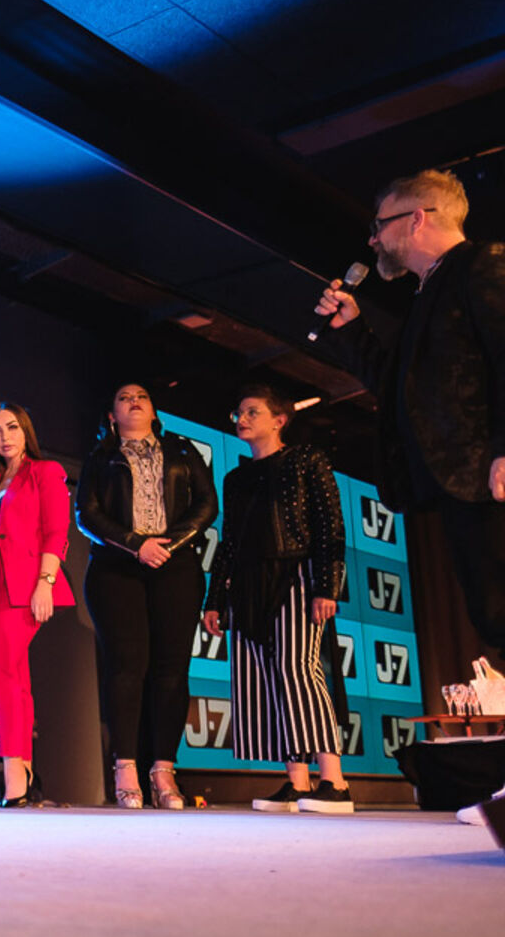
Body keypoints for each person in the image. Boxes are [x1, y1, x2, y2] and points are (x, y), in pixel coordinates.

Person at [314, 169, 505, 655]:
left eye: (380, 224)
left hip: (491, 477)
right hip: (463, 486)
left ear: (417, 218)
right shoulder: (428, 293)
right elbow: (403, 391)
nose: (373, 239)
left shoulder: (481, 264)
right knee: (492, 613)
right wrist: (350, 332)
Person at [200, 385, 353, 814]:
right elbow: (229, 542)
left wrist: (327, 587)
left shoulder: (306, 460)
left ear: (279, 420)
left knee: (298, 669)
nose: (242, 419)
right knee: (265, 679)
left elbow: (330, 526)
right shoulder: (235, 478)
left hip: (295, 573)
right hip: (248, 583)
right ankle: (298, 782)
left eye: (253, 411)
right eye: (239, 412)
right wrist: (215, 599)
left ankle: (335, 782)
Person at [74, 383, 218, 810]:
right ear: (111, 415)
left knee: (171, 670)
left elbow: (207, 505)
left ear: (154, 411)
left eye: (142, 396)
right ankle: (125, 768)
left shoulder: (182, 451)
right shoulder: (100, 457)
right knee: (126, 668)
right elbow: (86, 514)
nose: (134, 400)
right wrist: (137, 544)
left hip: (176, 565)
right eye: (123, 397)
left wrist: (169, 544)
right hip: (116, 567)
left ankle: (163, 771)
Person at [0, 402, 75, 808]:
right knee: (14, 679)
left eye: (12, 427)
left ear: (25, 430)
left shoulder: (45, 472)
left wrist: (45, 583)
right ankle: (26, 768)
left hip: (25, 583)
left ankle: (13, 770)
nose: (5, 437)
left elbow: (57, 531)